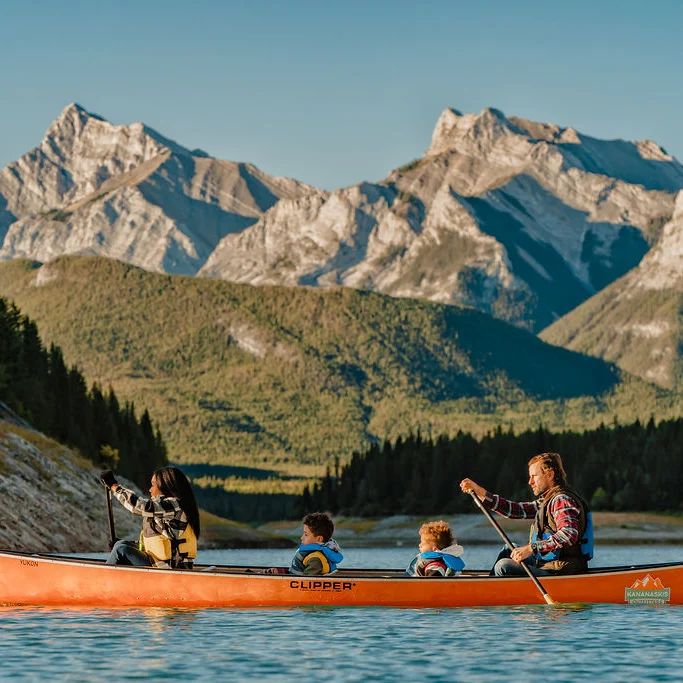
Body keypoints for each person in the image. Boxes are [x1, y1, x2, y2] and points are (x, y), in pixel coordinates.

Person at [460, 452, 593, 577]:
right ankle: (487, 588)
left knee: (503, 565)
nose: (530, 482)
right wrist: (480, 492)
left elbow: (569, 533)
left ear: (550, 475)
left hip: (560, 571)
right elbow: (514, 510)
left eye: (534, 476)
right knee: (509, 549)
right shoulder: (547, 501)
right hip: (547, 564)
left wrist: (531, 548)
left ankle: (490, 592)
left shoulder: (561, 500)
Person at [100, 467, 201, 570]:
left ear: (165, 485)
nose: (150, 490)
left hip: (170, 567)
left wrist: (114, 486)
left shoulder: (174, 505)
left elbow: (140, 506)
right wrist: (128, 544)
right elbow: (154, 544)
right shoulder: (168, 509)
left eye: (153, 485)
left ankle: (100, 581)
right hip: (159, 563)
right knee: (120, 544)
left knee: (120, 550)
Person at [265, 512, 343, 575]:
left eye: (306, 534)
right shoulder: (311, 555)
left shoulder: (315, 559)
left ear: (319, 539)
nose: (301, 538)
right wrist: (280, 572)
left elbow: (305, 582)